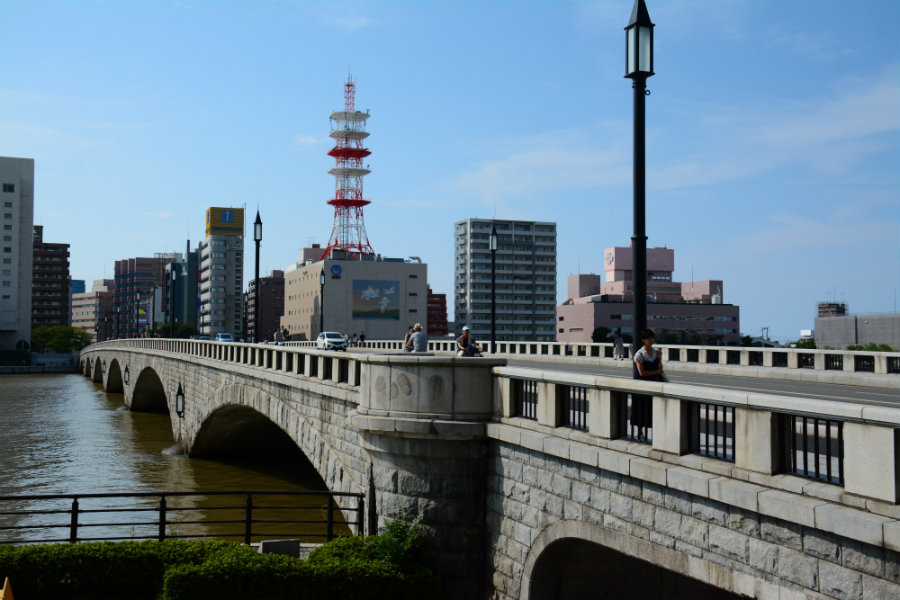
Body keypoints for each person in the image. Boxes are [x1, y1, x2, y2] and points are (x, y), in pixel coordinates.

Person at [631, 328, 665, 441]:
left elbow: (661, 368)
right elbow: (642, 373)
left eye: (652, 337)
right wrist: (658, 372)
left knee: (653, 409)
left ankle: (655, 433)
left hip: (653, 385)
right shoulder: (639, 355)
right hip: (641, 386)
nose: (651, 340)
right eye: (648, 338)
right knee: (641, 410)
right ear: (643, 340)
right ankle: (640, 432)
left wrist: (660, 360)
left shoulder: (656, 352)